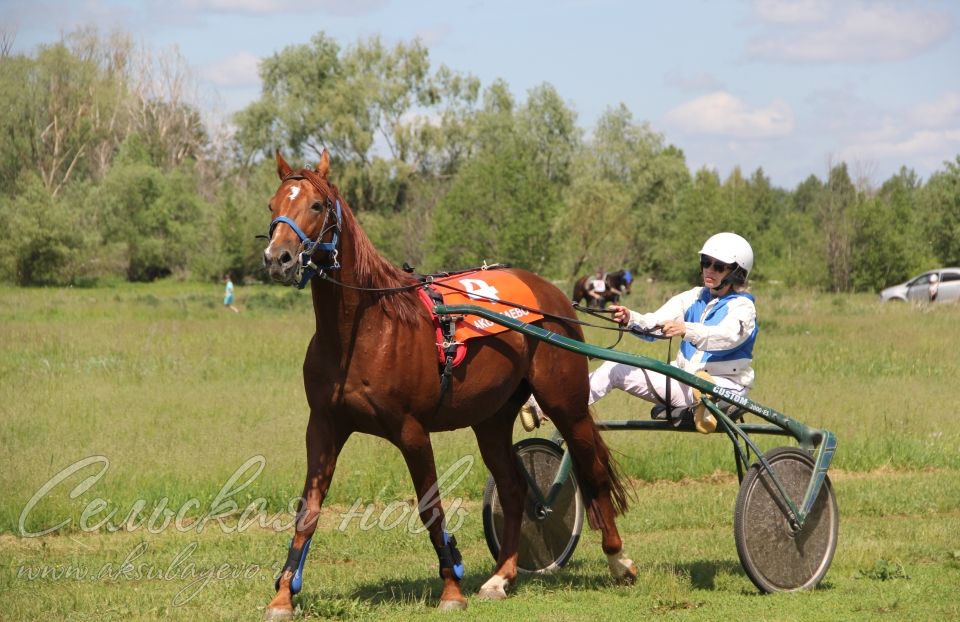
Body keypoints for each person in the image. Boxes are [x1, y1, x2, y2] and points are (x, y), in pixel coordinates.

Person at [519, 232, 757, 431]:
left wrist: (686, 329)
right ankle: (546, 407)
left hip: (726, 387)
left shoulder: (743, 307)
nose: (709, 269)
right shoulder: (693, 297)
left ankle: (707, 402)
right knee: (614, 368)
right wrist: (630, 318)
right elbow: (655, 323)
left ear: (737, 272)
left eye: (718, 266)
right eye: (706, 262)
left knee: (703, 384)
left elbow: (727, 337)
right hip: (684, 382)